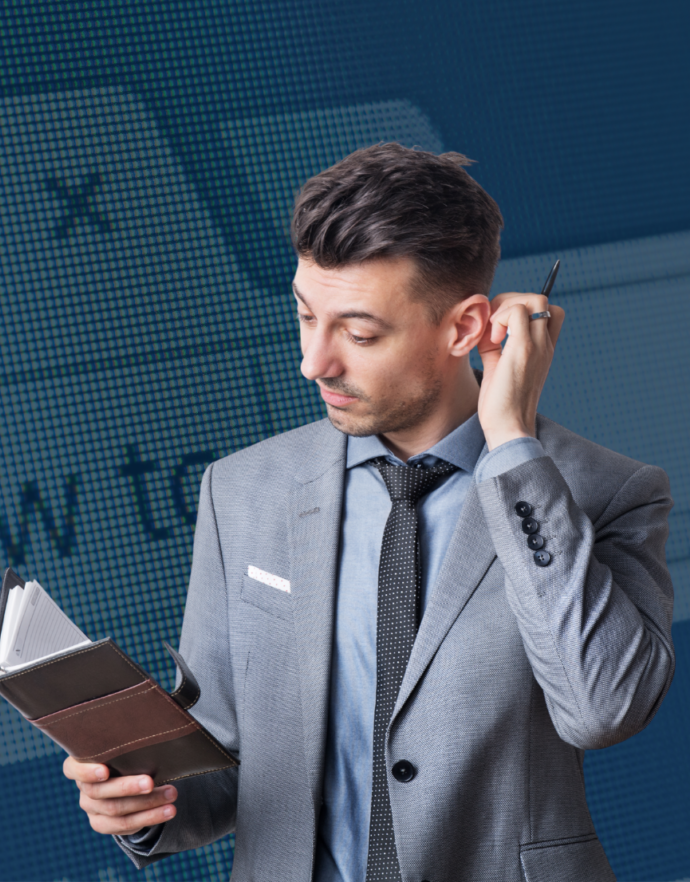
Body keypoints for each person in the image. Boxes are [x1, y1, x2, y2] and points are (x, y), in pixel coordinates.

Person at [62, 143, 675, 881]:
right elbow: (224, 761)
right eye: (304, 317)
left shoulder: (604, 490)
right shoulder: (243, 490)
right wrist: (144, 800)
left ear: (464, 328)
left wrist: (511, 440)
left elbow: (603, 709)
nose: (314, 362)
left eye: (358, 334)